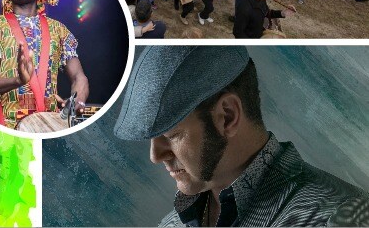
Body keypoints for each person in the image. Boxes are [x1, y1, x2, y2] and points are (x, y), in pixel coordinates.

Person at [114, 45, 369, 227]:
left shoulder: (338, 217)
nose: (155, 156)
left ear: (227, 116)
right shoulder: (171, 224)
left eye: (171, 135)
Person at [0, 0, 89, 129]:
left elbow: (79, 77)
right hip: (7, 124)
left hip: (50, 124)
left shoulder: (59, 30)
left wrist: (77, 101)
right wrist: (18, 80)